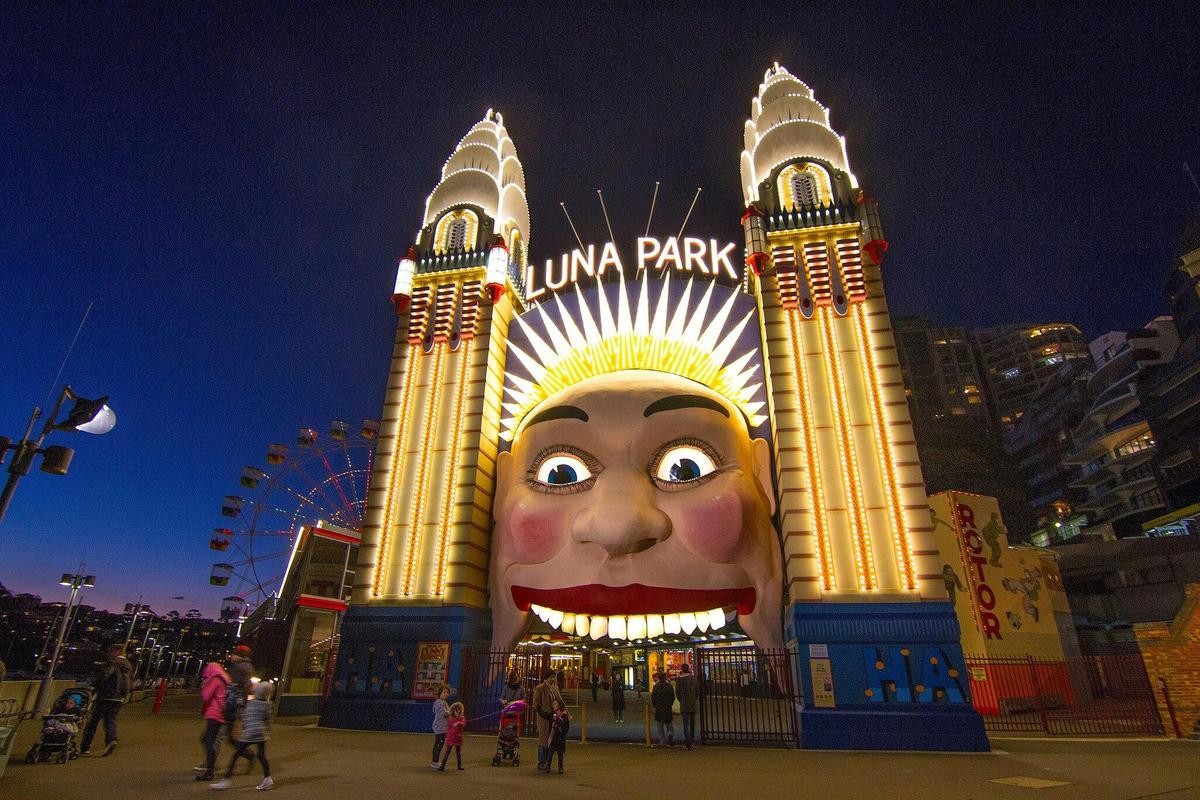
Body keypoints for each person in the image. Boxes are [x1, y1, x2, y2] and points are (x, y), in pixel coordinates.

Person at [211, 681, 272, 791]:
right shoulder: (268, 704)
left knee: (236, 755)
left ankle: (226, 780)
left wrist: (244, 729)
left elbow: (245, 717)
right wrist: (267, 730)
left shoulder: (251, 703)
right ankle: (267, 779)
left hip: (250, 733)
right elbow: (267, 719)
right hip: (262, 734)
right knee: (261, 756)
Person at [80, 643, 132, 756]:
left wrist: (94, 686)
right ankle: (111, 740)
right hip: (119, 697)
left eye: (111, 651)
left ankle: (85, 747)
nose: (109, 654)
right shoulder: (127, 664)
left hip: (106, 695)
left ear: (116, 651)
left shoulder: (113, 663)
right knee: (110, 720)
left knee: (93, 721)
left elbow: (104, 675)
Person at [195, 661, 230, 781]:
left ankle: (210, 771)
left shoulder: (215, 680)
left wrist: (204, 684)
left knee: (208, 741)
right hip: (221, 714)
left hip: (215, 713)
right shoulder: (225, 678)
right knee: (208, 740)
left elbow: (206, 696)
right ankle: (210, 769)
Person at [532, 669, 562, 771]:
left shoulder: (555, 688)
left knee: (551, 740)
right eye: (551, 677)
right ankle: (541, 762)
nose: (553, 679)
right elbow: (536, 704)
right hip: (543, 718)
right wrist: (543, 713)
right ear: (546, 678)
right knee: (543, 741)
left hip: (553, 718)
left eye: (554, 677)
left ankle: (548, 762)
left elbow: (559, 701)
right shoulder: (540, 688)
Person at [674, 663, 699, 749]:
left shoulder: (679, 680)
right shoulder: (693, 679)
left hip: (684, 704)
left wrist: (681, 700)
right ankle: (692, 741)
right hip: (692, 704)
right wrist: (694, 698)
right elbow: (697, 691)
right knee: (692, 723)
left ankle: (687, 742)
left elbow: (677, 693)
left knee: (685, 724)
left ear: (682, 669)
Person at [436, 702, 466, 771]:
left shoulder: (462, 718)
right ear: (453, 711)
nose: (457, 712)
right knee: (448, 752)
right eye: (456, 711)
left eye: (459, 711)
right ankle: (442, 766)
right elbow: (450, 727)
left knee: (458, 752)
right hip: (451, 738)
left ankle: (459, 765)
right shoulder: (451, 719)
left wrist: (458, 722)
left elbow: (463, 724)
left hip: (458, 738)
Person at [650, 671, 675, 748]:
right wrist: (670, 704)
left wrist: (655, 705)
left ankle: (662, 741)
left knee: (660, 725)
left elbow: (653, 698)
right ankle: (670, 734)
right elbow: (672, 697)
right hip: (667, 707)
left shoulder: (656, 686)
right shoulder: (669, 686)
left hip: (659, 707)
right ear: (665, 677)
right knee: (669, 723)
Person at [429, 685, 450, 768]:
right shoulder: (439, 702)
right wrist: (452, 713)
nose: (446, 694)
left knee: (438, 743)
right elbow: (444, 714)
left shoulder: (444, 702)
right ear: (439, 693)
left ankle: (434, 761)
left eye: (447, 692)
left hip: (443, 727)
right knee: (439, 744)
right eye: (444, 692)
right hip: (440, 727)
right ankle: (434, 762)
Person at [547, 698, 570, 774]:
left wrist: (558, 721)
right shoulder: (552, 714)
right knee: (550, 752)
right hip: (553, 736)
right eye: (553, 704)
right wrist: (538, 708)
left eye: (555, 704)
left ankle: (560, 767)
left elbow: (565, 725)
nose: (553, 706)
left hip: (560, 737)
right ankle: (548, 766)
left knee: (560, 754)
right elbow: (545, 714)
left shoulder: (564, 715)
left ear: (559, 705)